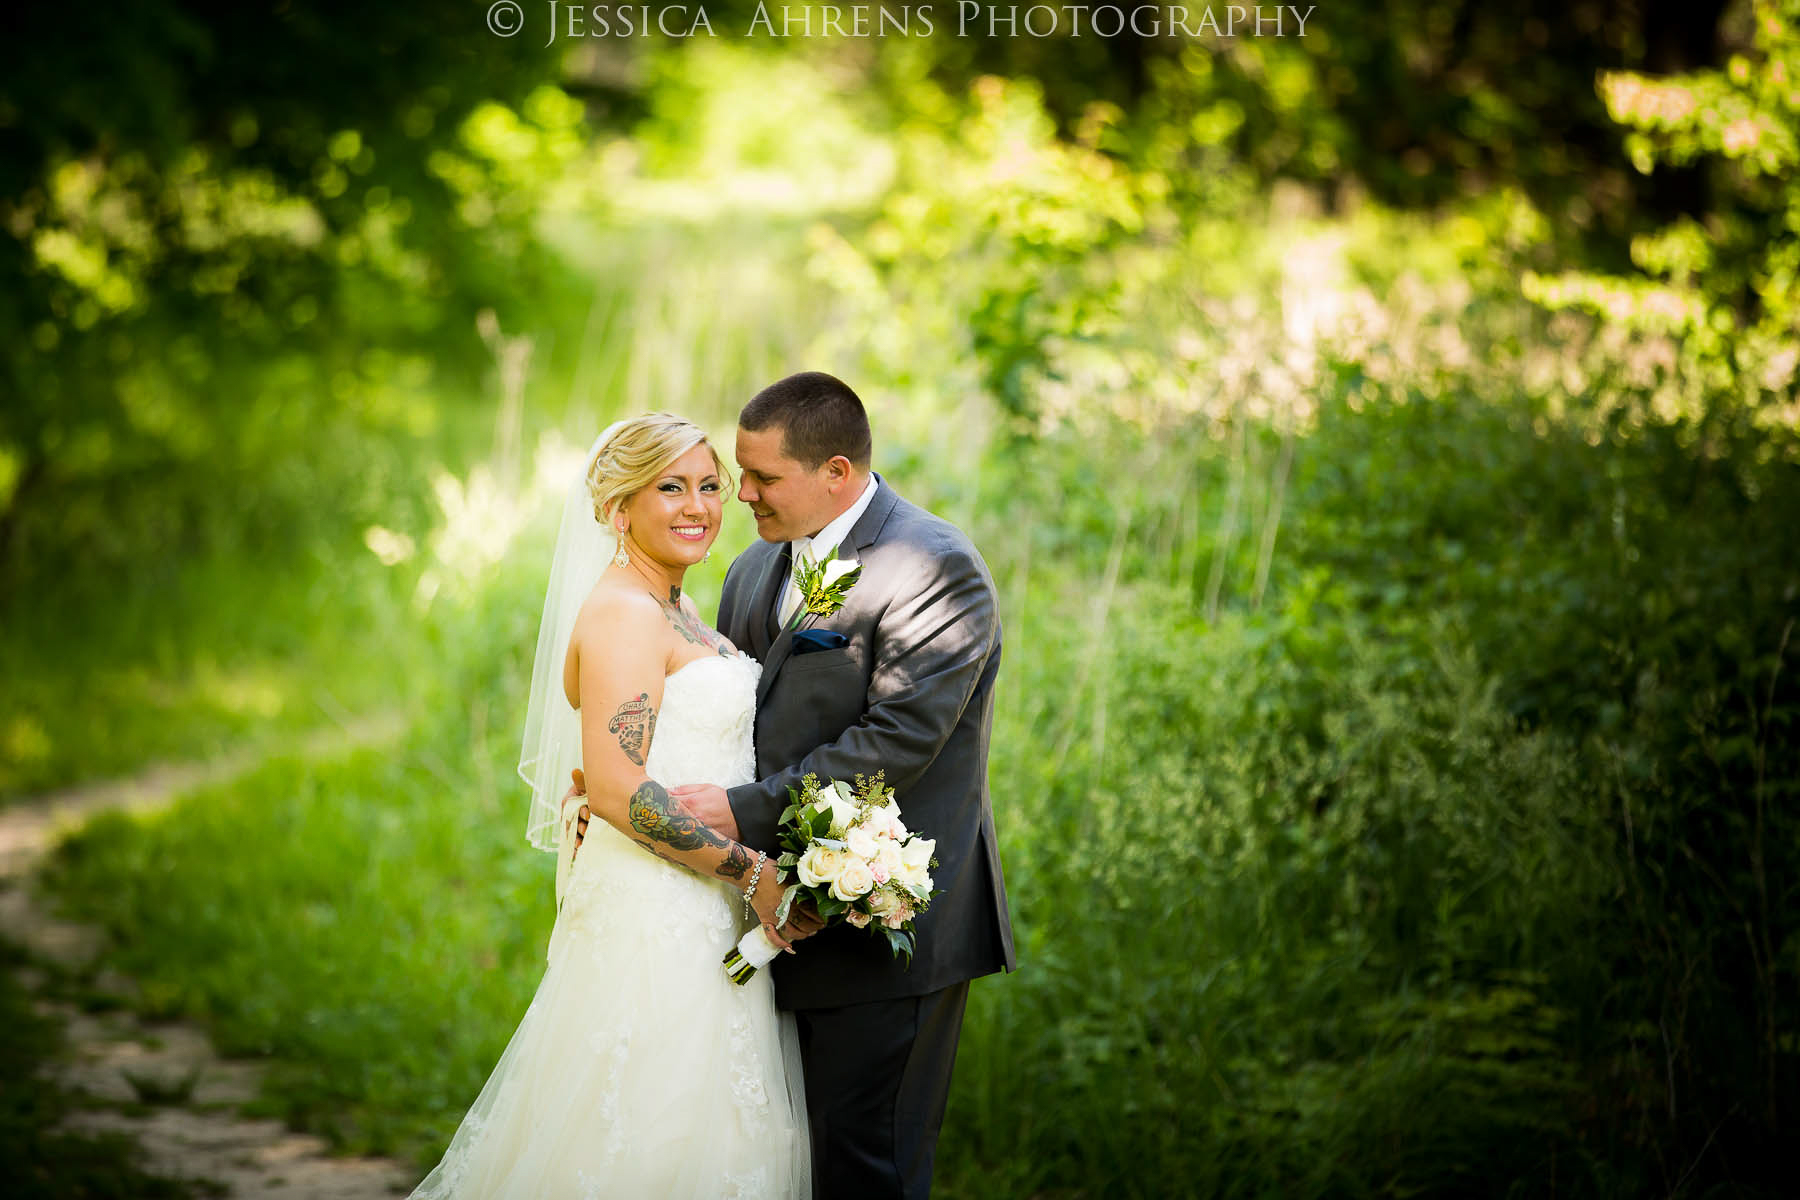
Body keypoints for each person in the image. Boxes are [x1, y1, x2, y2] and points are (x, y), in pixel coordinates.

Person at [573, 371, 1015, 1198]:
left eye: (760, 479)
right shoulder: (750, 570)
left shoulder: (933, 567)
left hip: (886, 923)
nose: (739, 496)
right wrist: (620, 780)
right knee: (773, 1165)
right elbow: (719, 716)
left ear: (836, 474)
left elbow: (899, 740)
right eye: (730, 477)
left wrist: (736, 813)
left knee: (865, 1169)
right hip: (760, 916)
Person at [409, 413, 810, 1199]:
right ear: (618, 507)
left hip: (701, 909)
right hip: (657, 914)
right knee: (645, 1132)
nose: (697, 506)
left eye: (709, 486)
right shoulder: (626, 613)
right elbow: (623, 790)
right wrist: (753, 870)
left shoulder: (679, 607)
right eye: (671, 488)